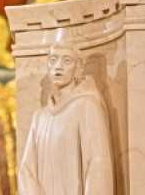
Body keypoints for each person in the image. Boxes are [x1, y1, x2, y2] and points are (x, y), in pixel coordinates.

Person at [19, 32, 113, 195]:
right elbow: (27, 171)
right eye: (53, 60)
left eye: (67, 60)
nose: (58, 66)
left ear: (78, 68)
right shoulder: (40, 117)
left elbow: (97, 165)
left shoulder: (87, 106)